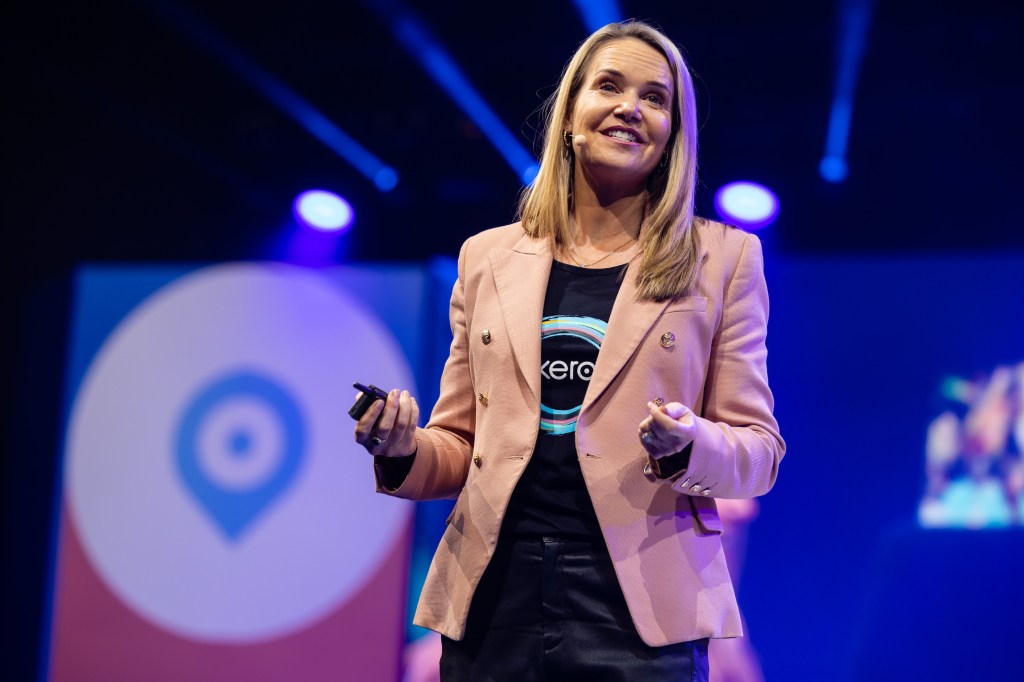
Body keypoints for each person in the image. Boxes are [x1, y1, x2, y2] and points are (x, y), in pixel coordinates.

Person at [354, 19, 785, 681]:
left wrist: (691, 443)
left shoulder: (724, 260)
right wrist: (402, 447)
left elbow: (758, 455)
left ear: (673, 131)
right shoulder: (486, 258)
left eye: (655, 97)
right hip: (493, 598)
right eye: (608, 85)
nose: (630, 107)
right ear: (571, 115)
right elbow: (461, 447)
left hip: (639, 612)